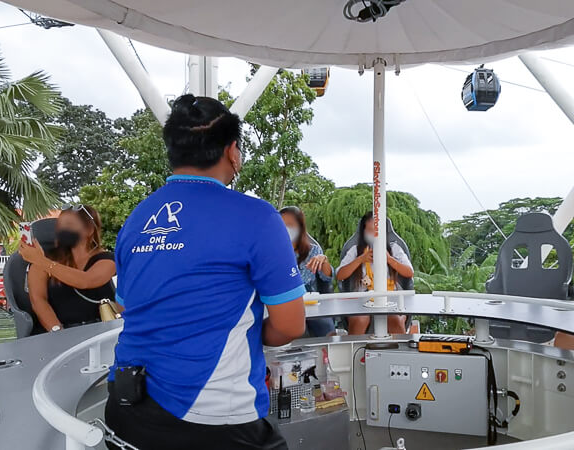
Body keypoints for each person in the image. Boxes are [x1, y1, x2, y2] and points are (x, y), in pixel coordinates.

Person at [105, 94, 305, 450]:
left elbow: (127, 305)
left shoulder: (137, 219)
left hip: (126, 408)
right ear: (232, 152)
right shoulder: (257, 217)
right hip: (213, 415)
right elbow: (290, 324)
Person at [19, 205, 117, 333]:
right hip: (59, 334)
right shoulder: (46, 259)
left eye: (69, 224)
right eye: (60, 225)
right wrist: (58, 331)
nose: (62, 230)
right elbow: (38, 300)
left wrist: (42, 261)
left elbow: (87, 280)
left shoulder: (107, 259)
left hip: (101, 332)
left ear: (89, 229)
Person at [335, 211, 414, 335]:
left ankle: (399, 352)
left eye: (377, 230)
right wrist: (360, 259)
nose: (374, 234)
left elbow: (409, 273)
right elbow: (340, 275)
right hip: (362, 299)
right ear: (364, 232)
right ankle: (355, 353)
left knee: (395, 319)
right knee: (360, 319)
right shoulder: (355, 250)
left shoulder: (395, 248)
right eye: (370, 230)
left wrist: (389, 260)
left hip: (392, 298)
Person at [280, 205, 335, 337]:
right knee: (297, 329)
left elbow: (327, 278)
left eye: (290, 225)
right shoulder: (272, 252)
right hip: (285, 302)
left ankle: (328, 357)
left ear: (300, 227)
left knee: (325, 326)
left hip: (310, 303)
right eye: (283, 225)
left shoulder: (313, 250)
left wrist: (324, 261)